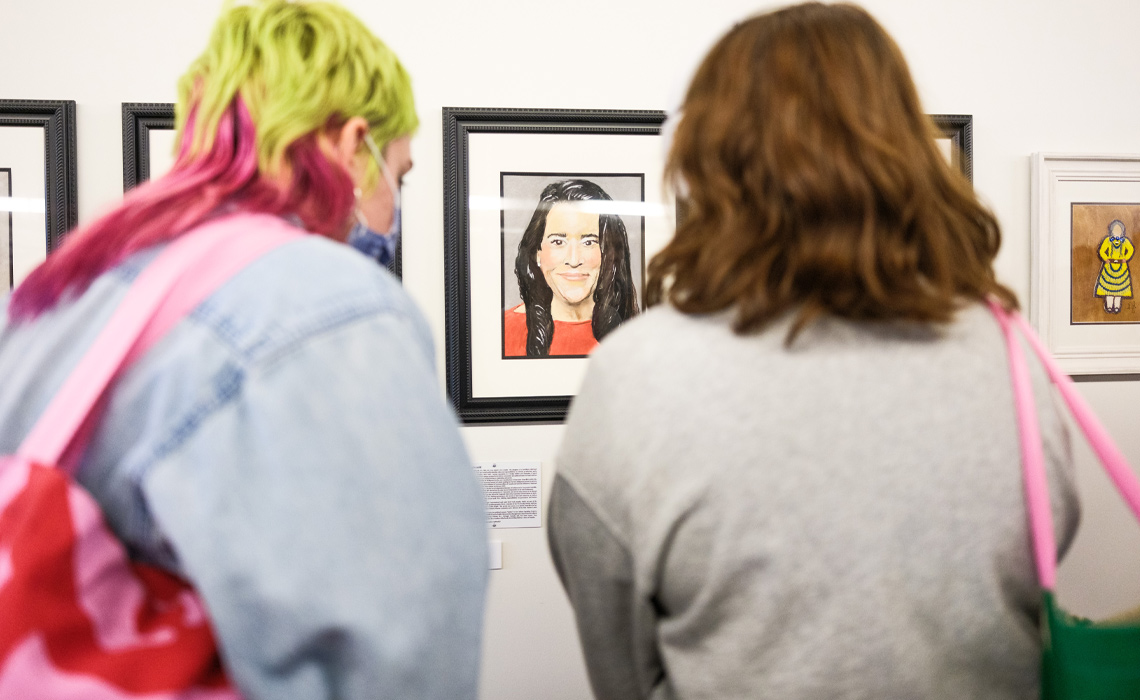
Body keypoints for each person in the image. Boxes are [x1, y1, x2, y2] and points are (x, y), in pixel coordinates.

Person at [547, 4, 1079, 699]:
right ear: (906, 147)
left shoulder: (636, 374)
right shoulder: (1007, 351)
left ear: (707, 156)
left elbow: (617, 657)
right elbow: (1047, 553)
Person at [0, 2, 487, 699]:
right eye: (398, 175)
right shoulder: (334, 309)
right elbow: (401, 655)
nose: (393, 209)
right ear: (353, 145)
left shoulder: (64, 293)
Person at [505, 179, 639, 357]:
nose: (574, 260)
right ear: (537, 253)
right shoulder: (504, 330)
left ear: (608, 253)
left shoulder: (636, 334)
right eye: (558, 242)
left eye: (589, 242)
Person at [1094, 219, 1133, 313]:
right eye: (1115, 230)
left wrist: (1125, 259)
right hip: (1109, 268)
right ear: (1111, 231)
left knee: (1119, 291)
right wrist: (1106, 259)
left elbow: (1131, 250)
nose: (1117, 232)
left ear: (1122, 231)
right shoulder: (1107, 240)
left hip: (1121, 269)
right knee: (1109, 290)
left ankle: (1116, 306)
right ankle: (1109, 306)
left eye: (1119, 230)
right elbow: (1102, 251)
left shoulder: (1125, 241)